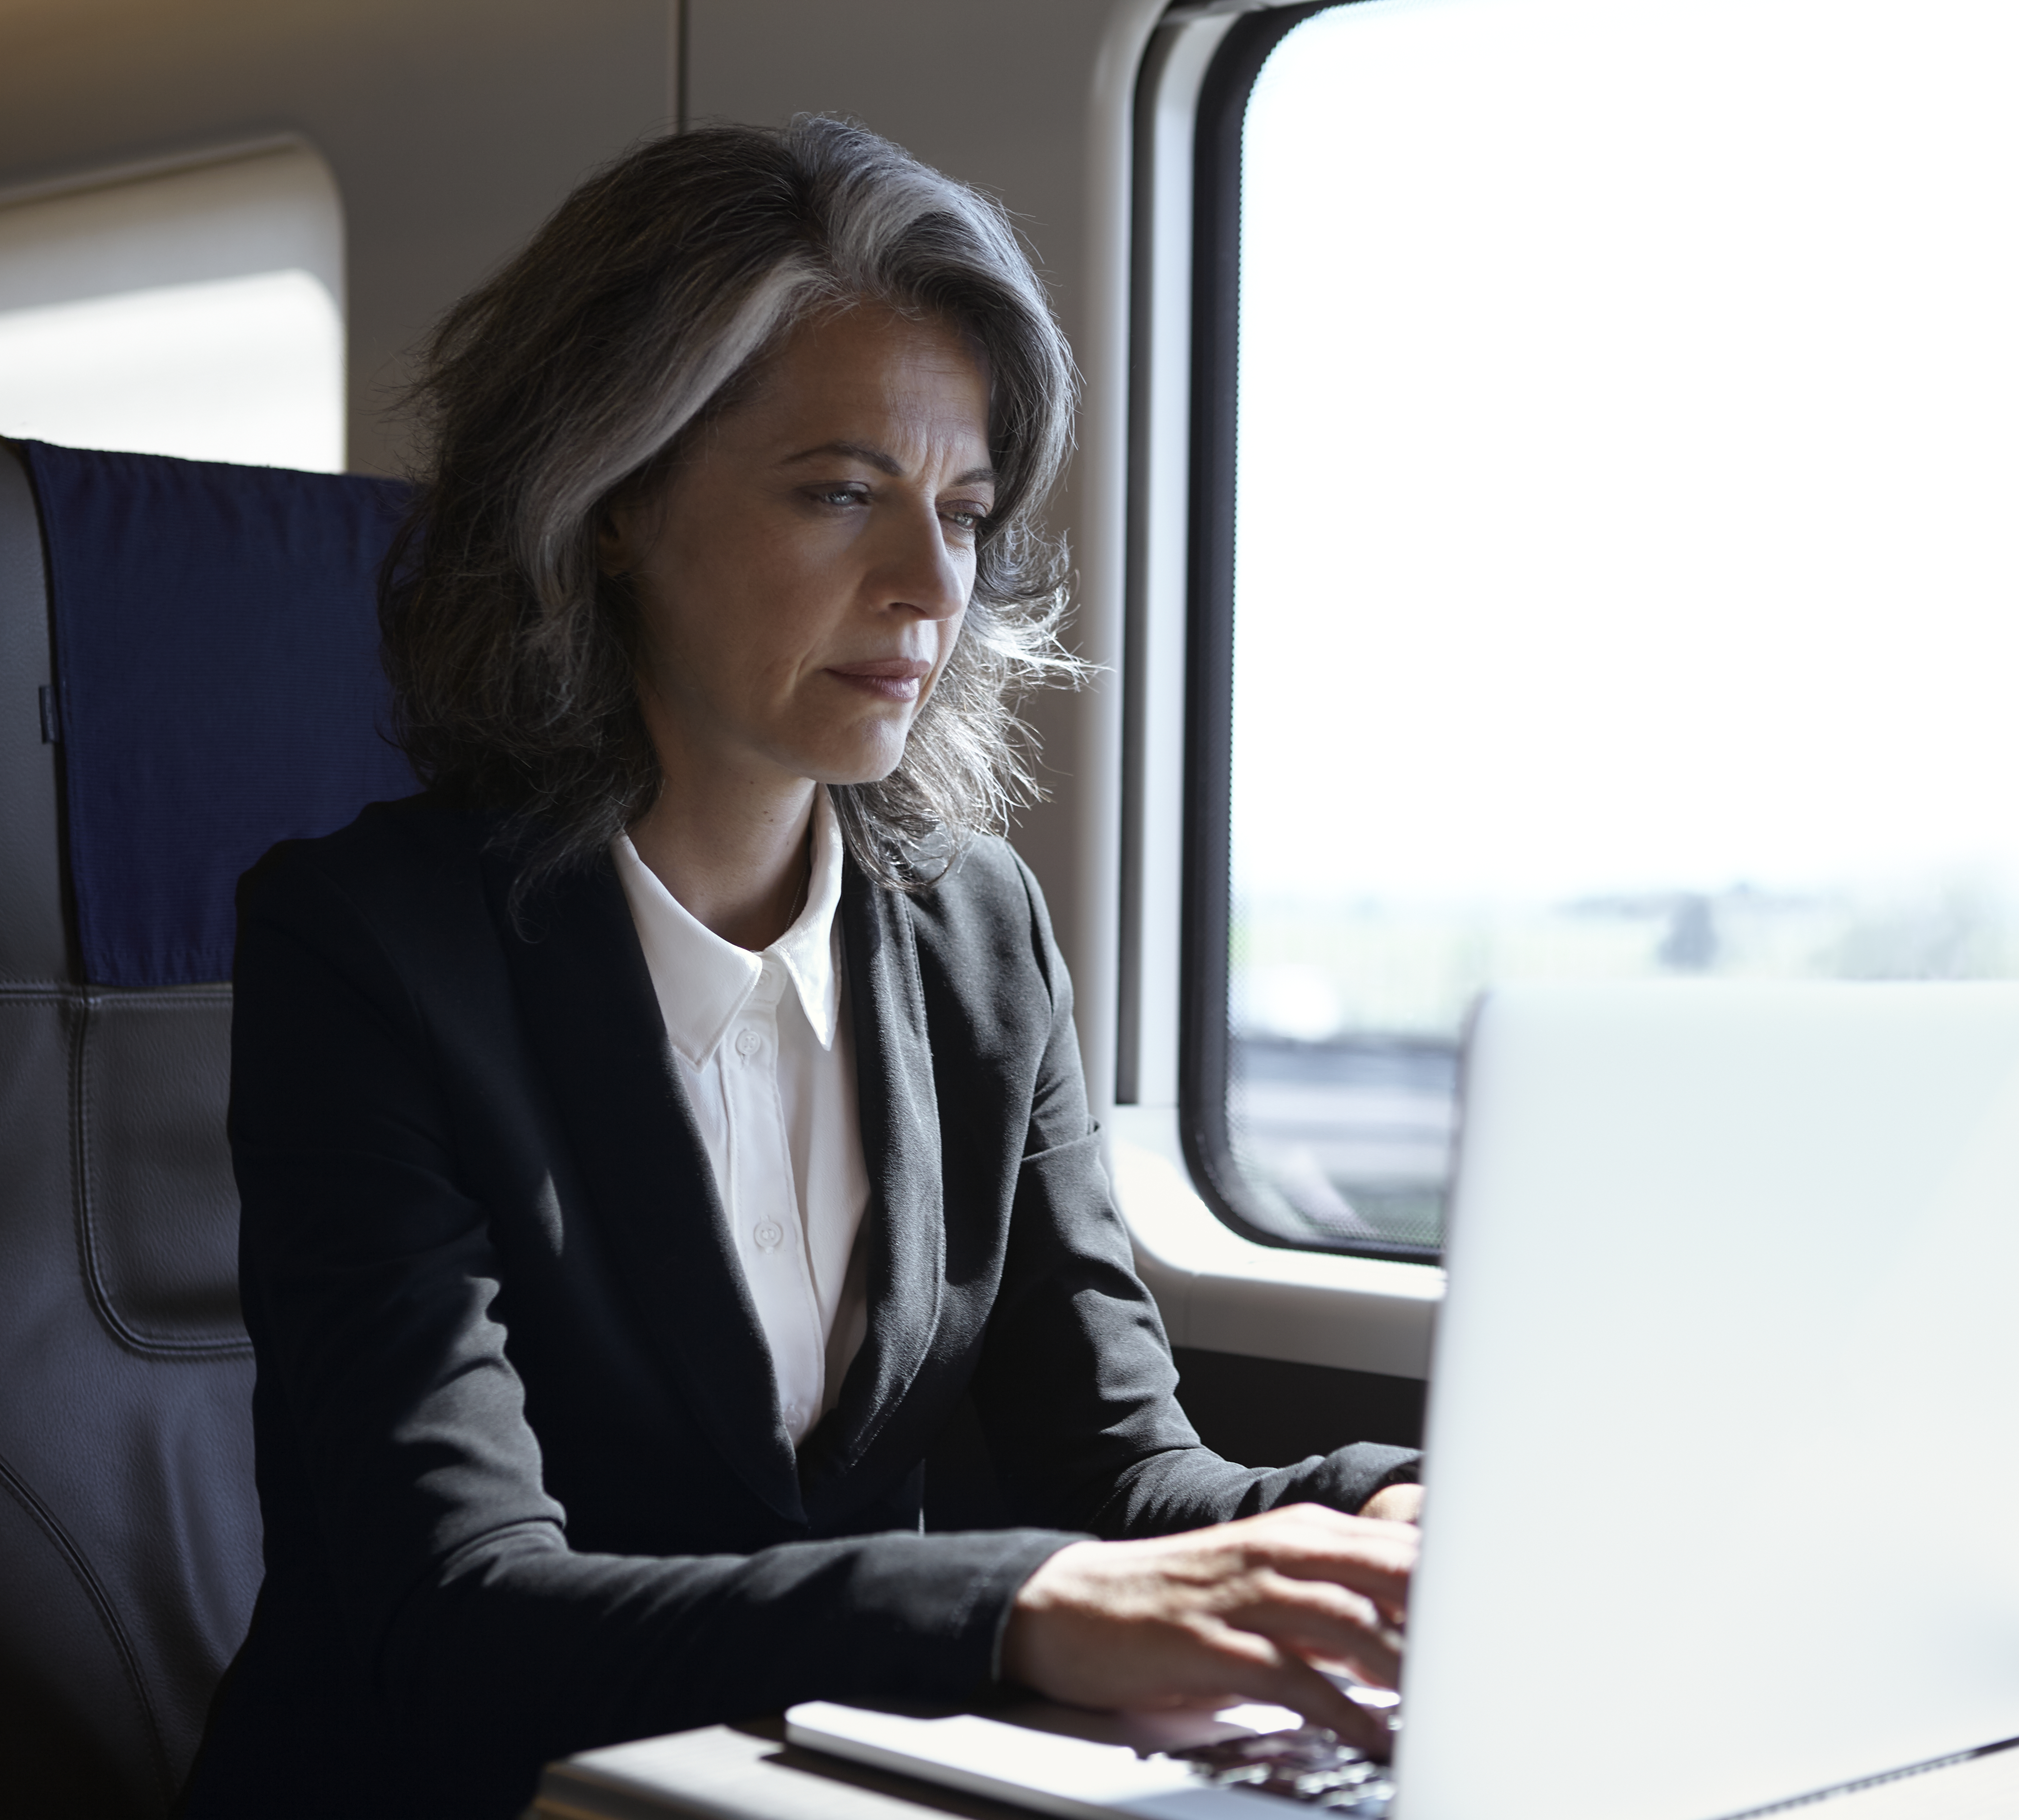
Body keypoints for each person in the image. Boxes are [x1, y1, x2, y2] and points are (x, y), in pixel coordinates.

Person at [179, 116, 1422, 1820]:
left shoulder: (977, 931)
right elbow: (451, 1617)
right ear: (609, 501)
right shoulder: (372, 951)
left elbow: (1122, 1474)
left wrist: (1392, 1505)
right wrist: (1017, 1610)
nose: (931, 588)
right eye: (842, 492)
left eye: (966, 511)